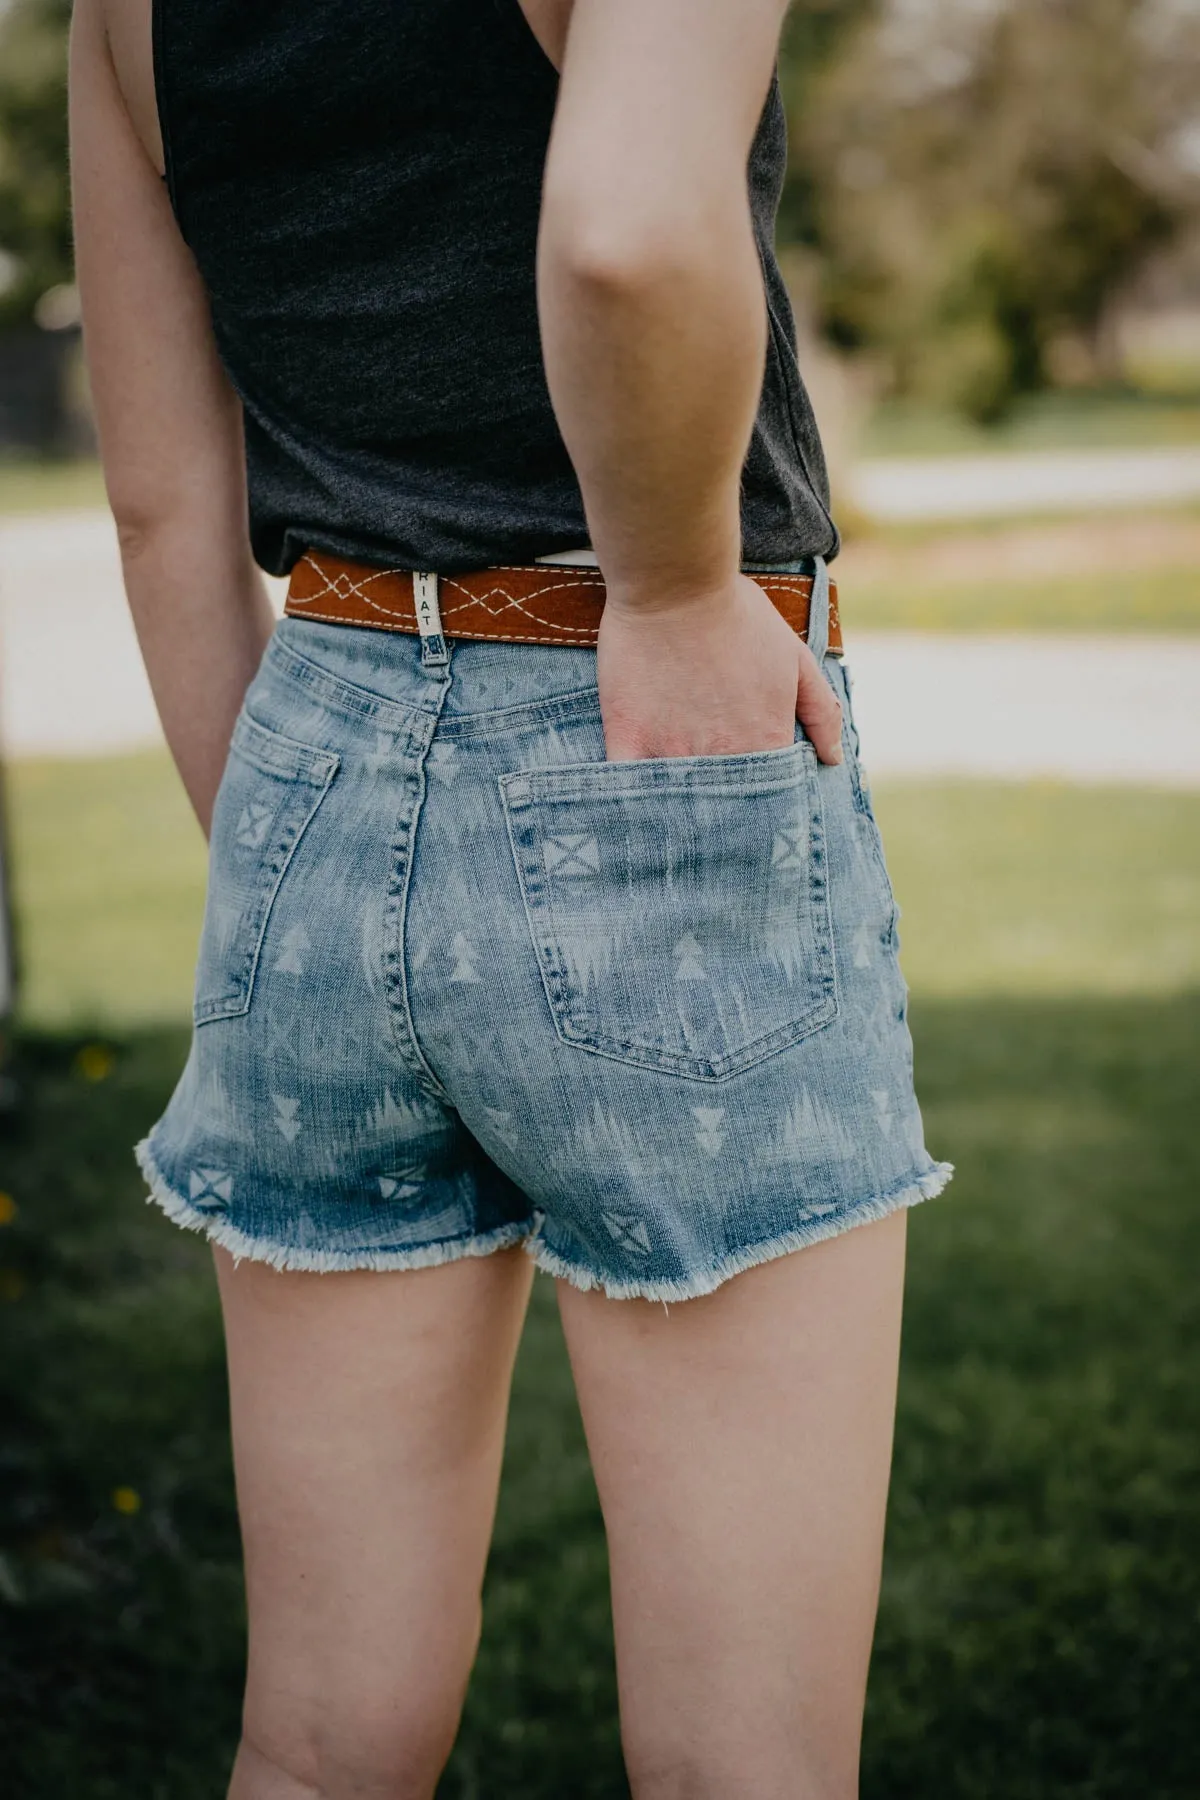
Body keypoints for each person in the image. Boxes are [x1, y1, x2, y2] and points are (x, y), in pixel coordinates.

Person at [69, 1, 951, 1793]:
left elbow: (167, 502)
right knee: (746, 1767)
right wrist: (684, 588)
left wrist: (286, 834)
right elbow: (625, 233)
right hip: (633, 707)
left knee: (316, 1748)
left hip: (305, 721)